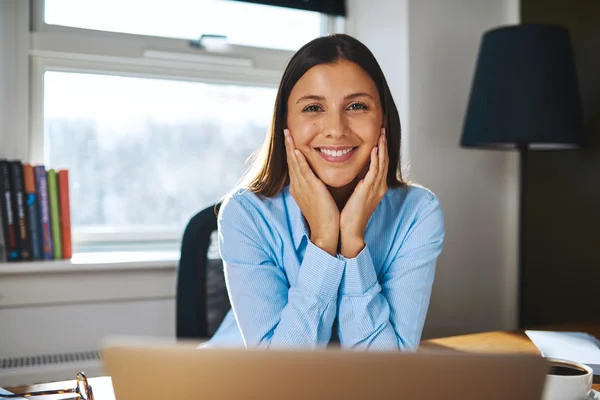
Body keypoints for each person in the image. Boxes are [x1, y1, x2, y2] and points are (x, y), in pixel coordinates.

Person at [205, 33, 445, 351]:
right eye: (314, 107)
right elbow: (281, 378)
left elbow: (386, 371)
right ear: (284, 124)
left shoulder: (417, 212)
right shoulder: (244, 214)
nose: (336, 128)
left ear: (383, 120)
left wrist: (352, 244)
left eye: (357, 106)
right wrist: (323, 241)